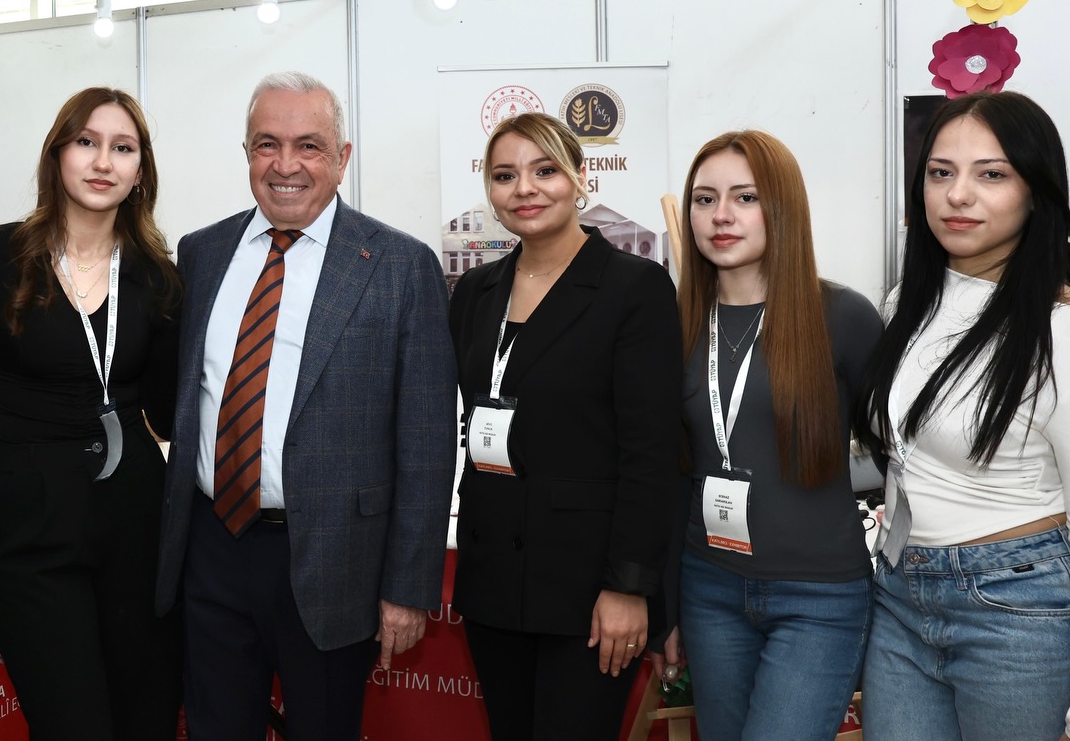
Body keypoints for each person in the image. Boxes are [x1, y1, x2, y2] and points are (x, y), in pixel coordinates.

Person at [155, 71, 458, 741]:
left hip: (336, 560)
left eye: (309, 146)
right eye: (267, 144)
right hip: (211, 550)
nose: (285, 165)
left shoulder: (399, 266)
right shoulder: (202, 254)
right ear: (246, 153)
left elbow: (428, 442)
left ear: (342, 157)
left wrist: (408, 587)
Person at [0, 87, 182, 739]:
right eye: (86, 142)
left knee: (145, 719)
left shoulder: (158, 276)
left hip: (135, 524)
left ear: (140, 171)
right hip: (30, 529)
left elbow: (168, 412)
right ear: (56, 156)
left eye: (122, 148)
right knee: (70, 721)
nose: (103, 161)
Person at [449, 112, 680, 739]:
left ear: (580, 177)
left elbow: (651, 453)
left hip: (589, 591)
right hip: (493, 579)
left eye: (545, 170)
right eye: (505, 176)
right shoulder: (475, 292)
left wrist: (630, 587)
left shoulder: (634, 287)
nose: (524, 188)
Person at [856, 91, 1070, 741]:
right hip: (900, 591)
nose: (957, 194)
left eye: (991, 174)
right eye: (940, 172)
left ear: (1037, 192)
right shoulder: (906, 304)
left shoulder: (1058, 332)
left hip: (1015, 602)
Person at [665, 130, 881, 741]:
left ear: (782, 207)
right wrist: (666, 604)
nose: (721, 215)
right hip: (708, 587)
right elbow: (670, 472)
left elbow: (898, 454)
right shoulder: (675, 323)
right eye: (704, 199)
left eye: (745, 197)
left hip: (819, 599)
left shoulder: (842, 317)